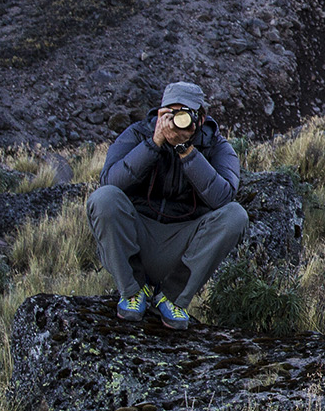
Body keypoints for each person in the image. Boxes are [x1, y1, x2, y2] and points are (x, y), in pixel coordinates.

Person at [87, 82, 248, 330]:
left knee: (235, 215)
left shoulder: (217, 146)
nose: (176, 121)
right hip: (136, 238)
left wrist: (187, 151)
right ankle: (132, 290)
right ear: (159, 113)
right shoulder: (138, 133)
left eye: (184, 113)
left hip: (183, 246)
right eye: (169, 114)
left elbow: (223, 198)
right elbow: (110, 181)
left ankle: (172, 298)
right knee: (104, 198)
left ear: (201, 117)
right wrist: (153, 144)